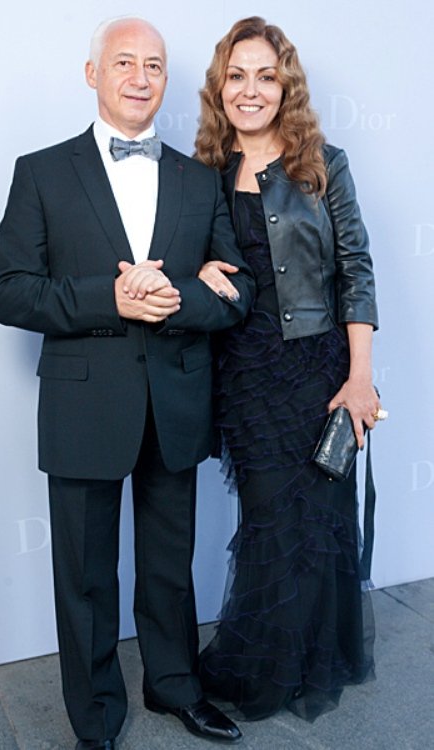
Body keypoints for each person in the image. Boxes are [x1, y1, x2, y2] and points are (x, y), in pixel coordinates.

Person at [0, 16, 254, 750]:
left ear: (166, 79)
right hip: (83, 405)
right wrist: (111, 299)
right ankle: (97, 717)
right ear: (93, 74)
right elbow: (8, 291)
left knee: (169, 568)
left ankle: (174, 687)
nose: (141, 78)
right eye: (125, 63)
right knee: (86, 578)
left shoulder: (200, 179)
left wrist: (174, 298)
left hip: (175, 403)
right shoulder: (40, 172)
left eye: (155, 65)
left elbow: (238, 291)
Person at [194, 16, 381, 722]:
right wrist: (196, 271)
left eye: (265, 76)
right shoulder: (202, 175)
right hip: (245, 375)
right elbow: (189, 265)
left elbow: (356, 271)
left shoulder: (324, 164)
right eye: (237, 75)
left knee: (321, 520)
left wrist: (359, 378)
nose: (251, 90)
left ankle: (314, 660)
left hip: (319, 367)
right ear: (221, 87)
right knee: (270, 522)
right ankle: (268, 664)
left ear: (286, 87)